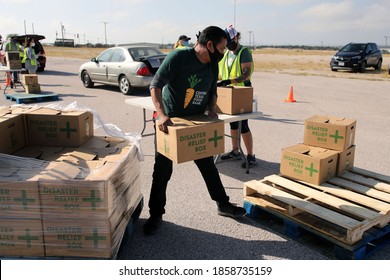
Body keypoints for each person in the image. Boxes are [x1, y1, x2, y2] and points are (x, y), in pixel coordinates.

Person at [144, 26, 246, 235]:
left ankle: (222, 204)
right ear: (209, 45)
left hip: (195, 122)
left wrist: (210, 108)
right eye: (221, 47)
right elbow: (155, 86)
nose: (224, 52)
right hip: (170, 123)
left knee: (208, 165)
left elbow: (213, 92)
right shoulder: (178, 58)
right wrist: (161, 114)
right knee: (162, 170)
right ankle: (155, 214)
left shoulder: (213, 63)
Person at [217, 25, 256, 169]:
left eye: (228, 42)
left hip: (242, 93)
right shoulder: (227, 53)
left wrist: (229, 81)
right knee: (233, 123)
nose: (226, 46)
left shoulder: (244, 52)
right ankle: (235, 150)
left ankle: (251, 155)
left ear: (235, 38)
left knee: (243, 125)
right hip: (229, 92)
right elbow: (222, 72)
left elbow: (246, 74)